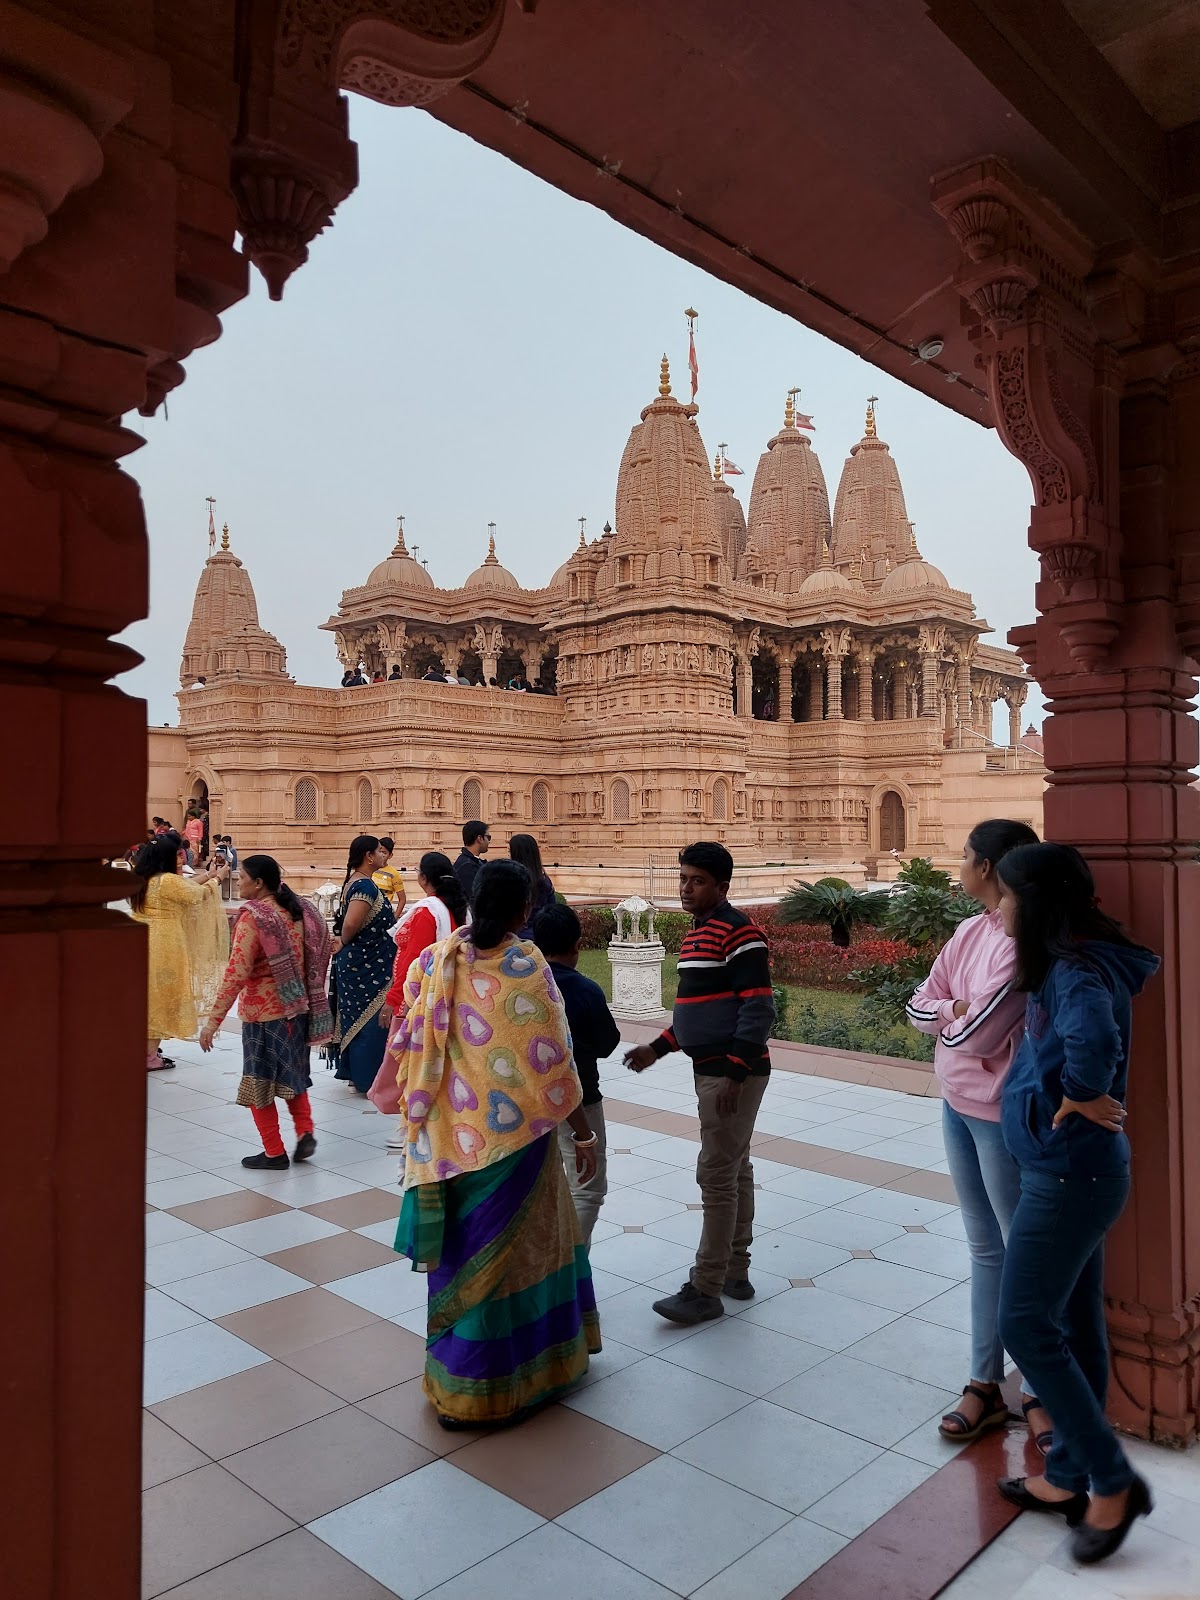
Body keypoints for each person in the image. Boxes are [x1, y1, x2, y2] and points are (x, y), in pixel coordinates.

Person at [389, 859, 601, 1428]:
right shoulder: (526, 966)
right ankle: (504, 1385)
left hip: (446, 1144)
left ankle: (458, 1384)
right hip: (515, 1145)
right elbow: (554, 1063)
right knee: (518, 1261)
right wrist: (582, 1132)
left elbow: (408, 1034)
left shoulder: (433, 963)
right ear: (525, 911)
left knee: (464, 1260)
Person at [992, 843, 1159, 1566]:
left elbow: (1093, 1038)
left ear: (1037, 903)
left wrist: (1085, 1095)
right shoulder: (1072, 961)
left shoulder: (1075, 970)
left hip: (1068, 1179)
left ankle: (1114, 1482)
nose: (997, 907)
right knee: (1073, 1324)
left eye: (1004, 895)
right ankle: (1067, 1475)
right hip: (1070, 1174)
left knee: (1026, 1326)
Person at [905, 820, 1050, 1450]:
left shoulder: (1025, 942)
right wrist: (951, 1012)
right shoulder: (969, 932)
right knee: (985, 1247)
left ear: (988, 867)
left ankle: (1043, 1390)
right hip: (955, 1105)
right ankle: (984, 1382)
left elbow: (980, 1035)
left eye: (965, 856)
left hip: (999, 1114)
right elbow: (919, 1007)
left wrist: (952, 1017)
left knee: (1023, 1249)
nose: (958, 864)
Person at [625, 842, 775, 1324]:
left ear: (722, 887)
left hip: (732, 1074)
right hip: (711, 1069)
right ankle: (735, 1270)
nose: (686, 888)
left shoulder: (738, 932)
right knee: (735, 1168)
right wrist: (658, 1047)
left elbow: (758, 1008)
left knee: (715, 1175)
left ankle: (705, 1286)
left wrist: (734, 1072)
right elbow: (696, 1015)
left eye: (698, 881)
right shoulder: (697, 936)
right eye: (684, 878)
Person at [199, 855, 333, 1169]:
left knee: (259, 1083)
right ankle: (305, 1131)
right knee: (294, 1077)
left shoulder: (254, 918)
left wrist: (212, 1022)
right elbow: (325, 945)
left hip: (263, 1015)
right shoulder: (299, 910)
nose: (238, 880)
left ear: (258, 883)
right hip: (297, 1009)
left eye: (241, 876)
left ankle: (274, 1151)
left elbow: (236, 973)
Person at [534, 902, 620, 1244]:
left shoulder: (524, 986)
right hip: (580, 1100)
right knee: (586, 1188)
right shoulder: (585, 991)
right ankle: (568, 1273)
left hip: (529, 1102)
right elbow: (607, 1043)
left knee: (543, 1188)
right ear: (577, 946)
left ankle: (547, 1266)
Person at [372, 850, 468, 1149]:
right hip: (454, 996)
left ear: (424, 878)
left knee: (414, 1063)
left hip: (423, 1001)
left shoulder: (427, 911)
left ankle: (411, 1126)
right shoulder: (460, 909)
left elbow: (412, 961)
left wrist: (393, 998)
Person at [129, 834, 229, 1072]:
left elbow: (185, 887)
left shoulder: (144, 877)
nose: (180, 857)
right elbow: (196, 895)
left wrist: (208, 875)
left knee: (146, 995)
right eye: (176, 854)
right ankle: (150, 1056)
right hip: (164, 942)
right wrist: (218, 880)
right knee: (161, 997)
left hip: (139, 938)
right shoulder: (167, 881)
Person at [325, 835, 396, 1093]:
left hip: (366, 962)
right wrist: (343, 941)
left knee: (361, 1018)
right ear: (368, 856)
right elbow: (352, 923)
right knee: (370, 1021)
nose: (383, 855)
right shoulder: (364, 886)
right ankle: (368, 1080)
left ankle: (358, 1075)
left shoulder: (360, 882)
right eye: (380, 851)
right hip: (364, 965)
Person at [508, 832, 555, 939]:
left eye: (510, 852)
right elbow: (552, 909)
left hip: (517, 936)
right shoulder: (544, 880)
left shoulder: (512, 880)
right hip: (540, 935)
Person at [453, 819, 490, 900]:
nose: (489, 841)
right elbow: (475, 899)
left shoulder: (472, 862)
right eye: (488, 837)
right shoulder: (466, 866)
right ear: (480, 838)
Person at [371, 836, 407, 915]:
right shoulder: (370, 868)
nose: (381, 855)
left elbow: (402, 899)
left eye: (384, 853)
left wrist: (395, 918)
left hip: (383, 915)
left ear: (390, 855)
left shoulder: (393, 874)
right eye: (379, 852)